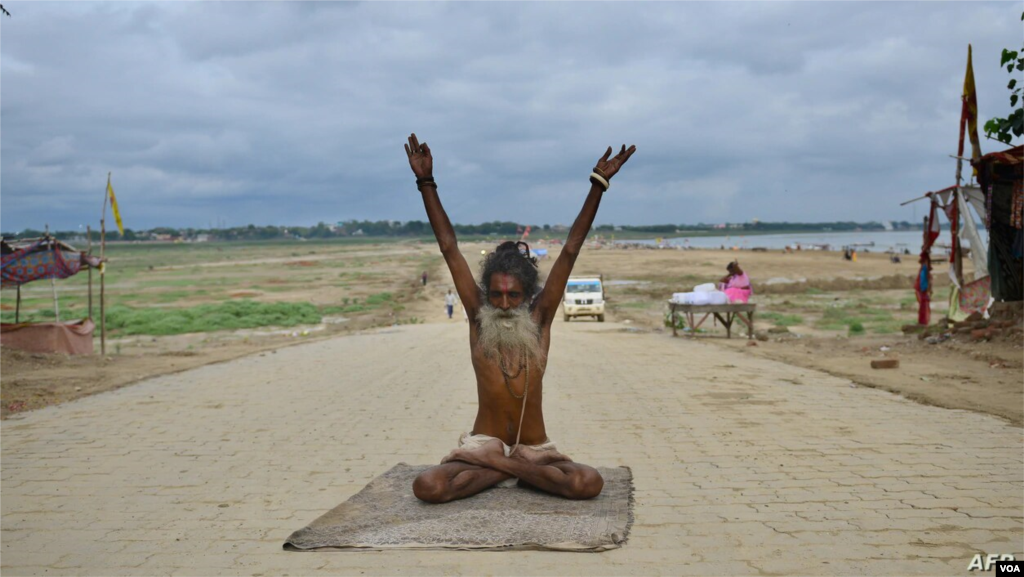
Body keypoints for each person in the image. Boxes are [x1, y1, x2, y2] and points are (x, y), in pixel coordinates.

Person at [404, 133, 635, 503]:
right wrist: (425, 182)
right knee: (427, 486)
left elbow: (571, 249)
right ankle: (519, 474)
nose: (506, 304)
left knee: (588, 483)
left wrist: (599, 185)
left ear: (528, 295)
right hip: (482, 449)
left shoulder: (540, 318)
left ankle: (507, 470)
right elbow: (449, 247)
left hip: (537, 449)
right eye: (496, 295)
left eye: (514, 296)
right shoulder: (479, 317)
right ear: (487, 294)